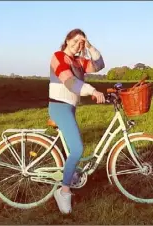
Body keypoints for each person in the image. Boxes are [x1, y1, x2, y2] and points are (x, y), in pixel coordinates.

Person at [49, 28, 106, 214]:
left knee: (72, 148)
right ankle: (63, 191)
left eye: (80, 43)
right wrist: (93, 91)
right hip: (59, 107)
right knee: (78, 149)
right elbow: (70, 82)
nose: (77, 45)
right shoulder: (58, 57)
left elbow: (99, 65)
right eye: (74, 41)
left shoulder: (79, 61)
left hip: (70, 107)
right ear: (67, 40)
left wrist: (89, 46)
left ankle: (69, 173)